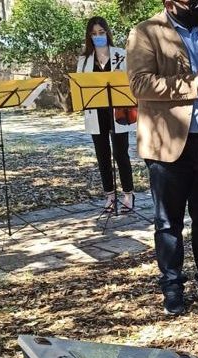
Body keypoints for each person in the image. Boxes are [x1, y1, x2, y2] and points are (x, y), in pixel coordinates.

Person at [126, 0, 198, 315]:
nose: (195, 4)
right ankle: (173, 285)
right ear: (169, 3)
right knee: (168, 222)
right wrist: (190, 84)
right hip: (169, 145)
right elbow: (139, 83)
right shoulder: (146, 32)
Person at [77, 16, 135, 213]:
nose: (98, 37)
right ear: (89, 36)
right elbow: (80, 87)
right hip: (96, 111)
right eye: (93, 34)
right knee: (102, 155)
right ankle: (109, 195)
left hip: (118, 111)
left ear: (107, 33)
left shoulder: (121, 55)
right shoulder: (84, 61)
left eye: (101, 33)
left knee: (121, 153)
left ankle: (128, 193)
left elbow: (129, 83)